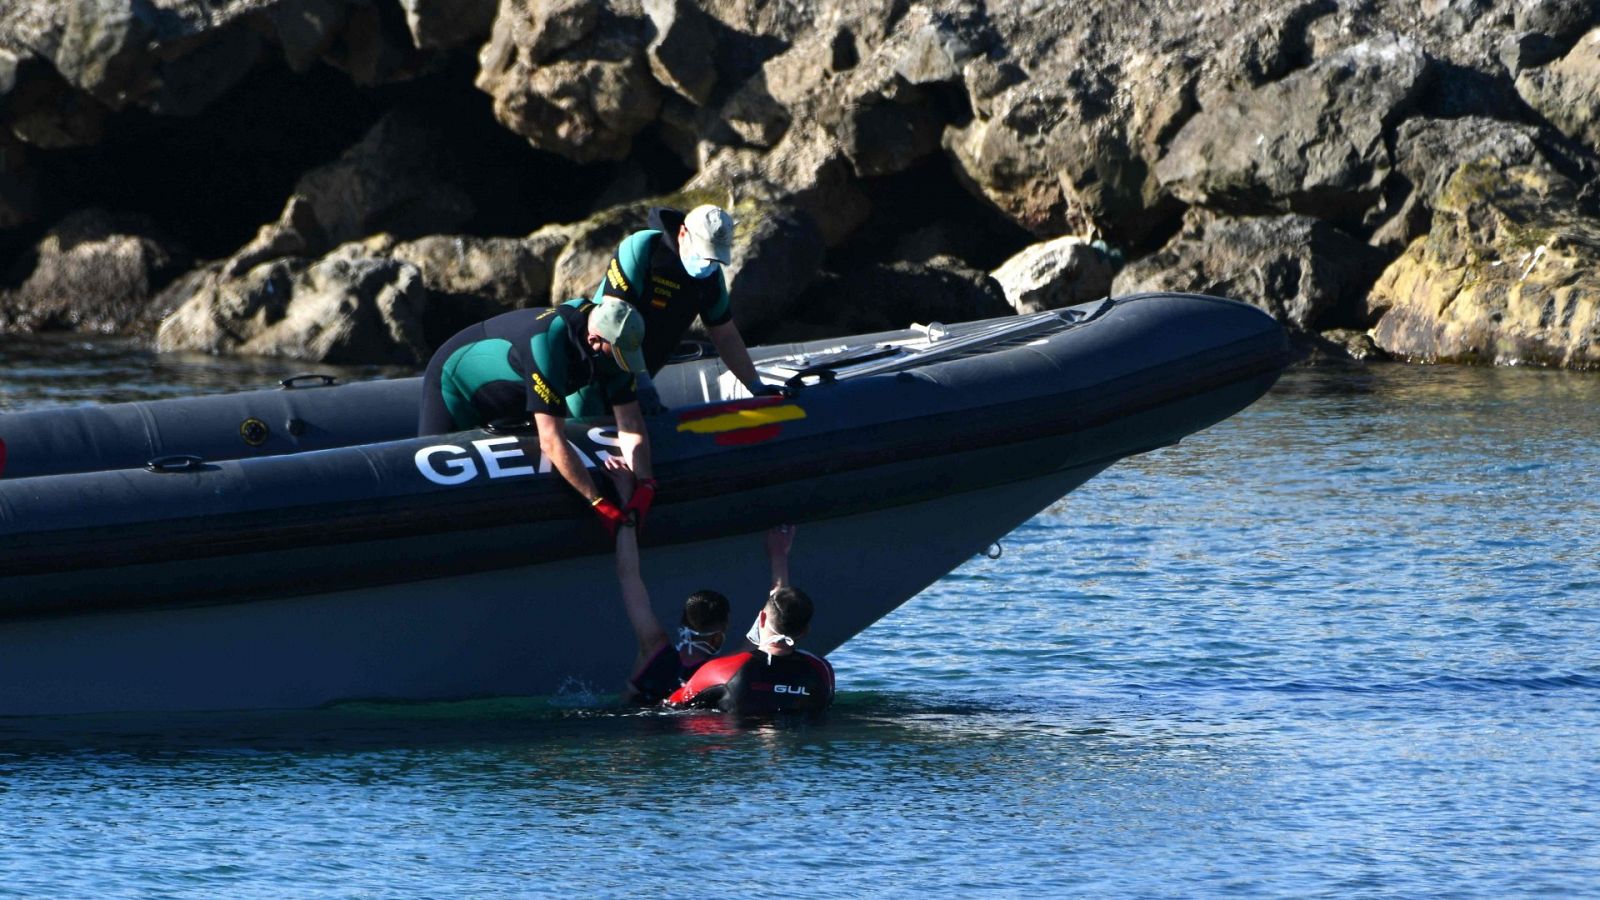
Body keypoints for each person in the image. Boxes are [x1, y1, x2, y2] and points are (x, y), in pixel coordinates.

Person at [417, 298, 655, 536]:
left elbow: (630, 424)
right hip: (456, 384)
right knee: (434, 495)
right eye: (616, 356)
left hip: (516, 394)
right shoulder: (548, 344)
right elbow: (551, 440)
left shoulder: (615, 348)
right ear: (593, 340)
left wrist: (645, 484)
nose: (620, 363)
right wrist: (598, 502)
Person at [607, 460, 808, 706]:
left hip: (631, 729)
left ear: (683, 619)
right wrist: (779, 555)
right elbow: (776, 619)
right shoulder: (722, 670)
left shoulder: (652, 647)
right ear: (718, 637)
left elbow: (628, 574)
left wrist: (627, 496)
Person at [580, 204, 777, 414]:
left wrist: (756, 387)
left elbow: (725, 335)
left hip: (638, 381)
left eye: (714, 259)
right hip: (594, 370)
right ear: (683, 233)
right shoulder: (644, 249)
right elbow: (614, 322)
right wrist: (642, 382)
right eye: (703, 255)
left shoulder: (711, 278)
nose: (707, 264)